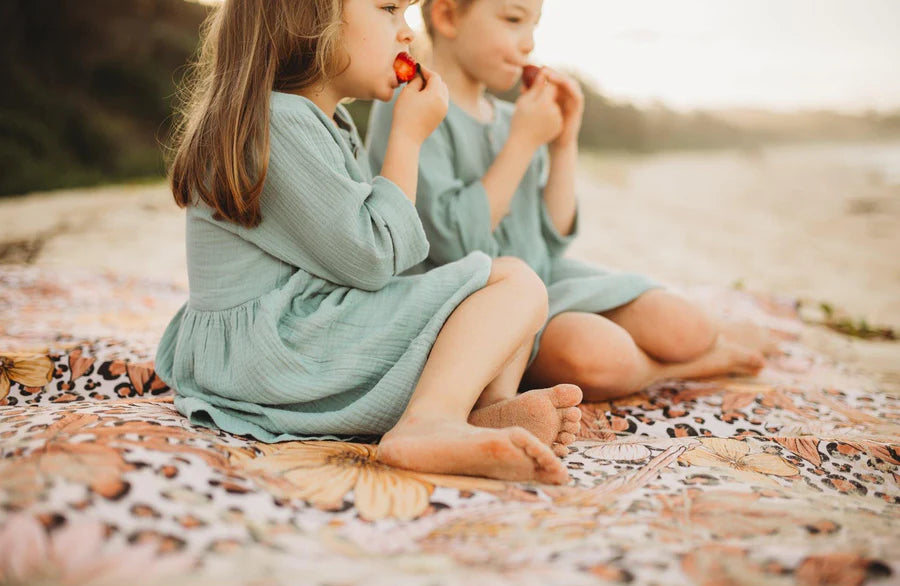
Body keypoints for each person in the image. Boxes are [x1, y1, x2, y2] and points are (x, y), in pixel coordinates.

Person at [154, 0, 585, 484]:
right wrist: (408, 136)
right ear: (309, 19)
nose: (407, 35)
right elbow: (375, 256)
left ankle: (481, 412)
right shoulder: (281, 121)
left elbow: (366, 261)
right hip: (277, 352)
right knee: (514, 282)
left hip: (293, 340)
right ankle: (430, 423)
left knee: (498, 296)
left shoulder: (318, 122)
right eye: (388, 10)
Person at [367, 0, 770, 403]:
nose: (527, 44)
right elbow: (455, 243)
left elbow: (554, 236)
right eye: (512, 20)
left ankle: (696, 344)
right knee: (600, 357)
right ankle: (678, 370)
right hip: (479, 304)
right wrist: (523, 143)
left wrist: (564, 143)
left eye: (535, 26)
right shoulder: (411, 108)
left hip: (547, 277)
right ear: (448, 16)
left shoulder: (514, 116)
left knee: (686, 327)